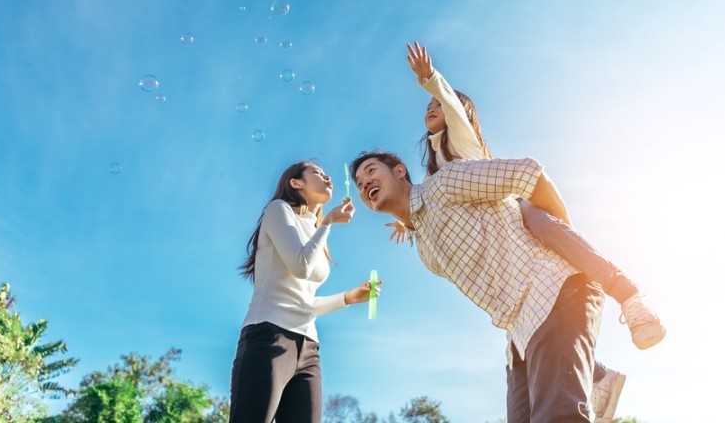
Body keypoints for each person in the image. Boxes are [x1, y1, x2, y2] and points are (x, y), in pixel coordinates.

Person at [396, 42, 665, 421]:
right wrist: (408, 221)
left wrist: (431, 81)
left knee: (545, 227)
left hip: (516, 210)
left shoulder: (462, 140)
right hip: (509, 250)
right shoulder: (435, 170)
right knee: (543, 332)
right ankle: (599, 374)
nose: (431, 109)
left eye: (437, 105)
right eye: (430, 105)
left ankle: (628, 295)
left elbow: (455, 112)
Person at [352, 151, 601, 422]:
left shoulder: (443, 183)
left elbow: (529, 173)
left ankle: (598, 375)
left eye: (370, 171)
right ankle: (599, 377)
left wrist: (567, 245)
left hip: (554, 290)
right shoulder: (425, 252)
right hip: (518, 336)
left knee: (559, 417)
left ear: (399, 171)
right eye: (358, 183)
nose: (364, 183)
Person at [230, 161, 381, 423]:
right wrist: (328, 221)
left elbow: (304, 304)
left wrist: (348, 298)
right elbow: (300, 266)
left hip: (309, 348)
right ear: (296, 183)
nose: (327, 176)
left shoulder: (314, 232)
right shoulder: (278, 210)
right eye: (317, 173)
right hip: (268, 337)